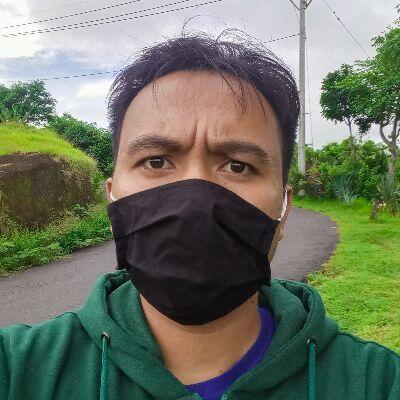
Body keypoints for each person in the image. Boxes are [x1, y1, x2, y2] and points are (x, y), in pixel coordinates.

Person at [0, 30, 399, 400]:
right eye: (156, 161)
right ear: (112, 197)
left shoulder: (377, 383)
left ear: (284, 208)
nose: (194, 199)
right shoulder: (17, 369)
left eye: (238, 166)